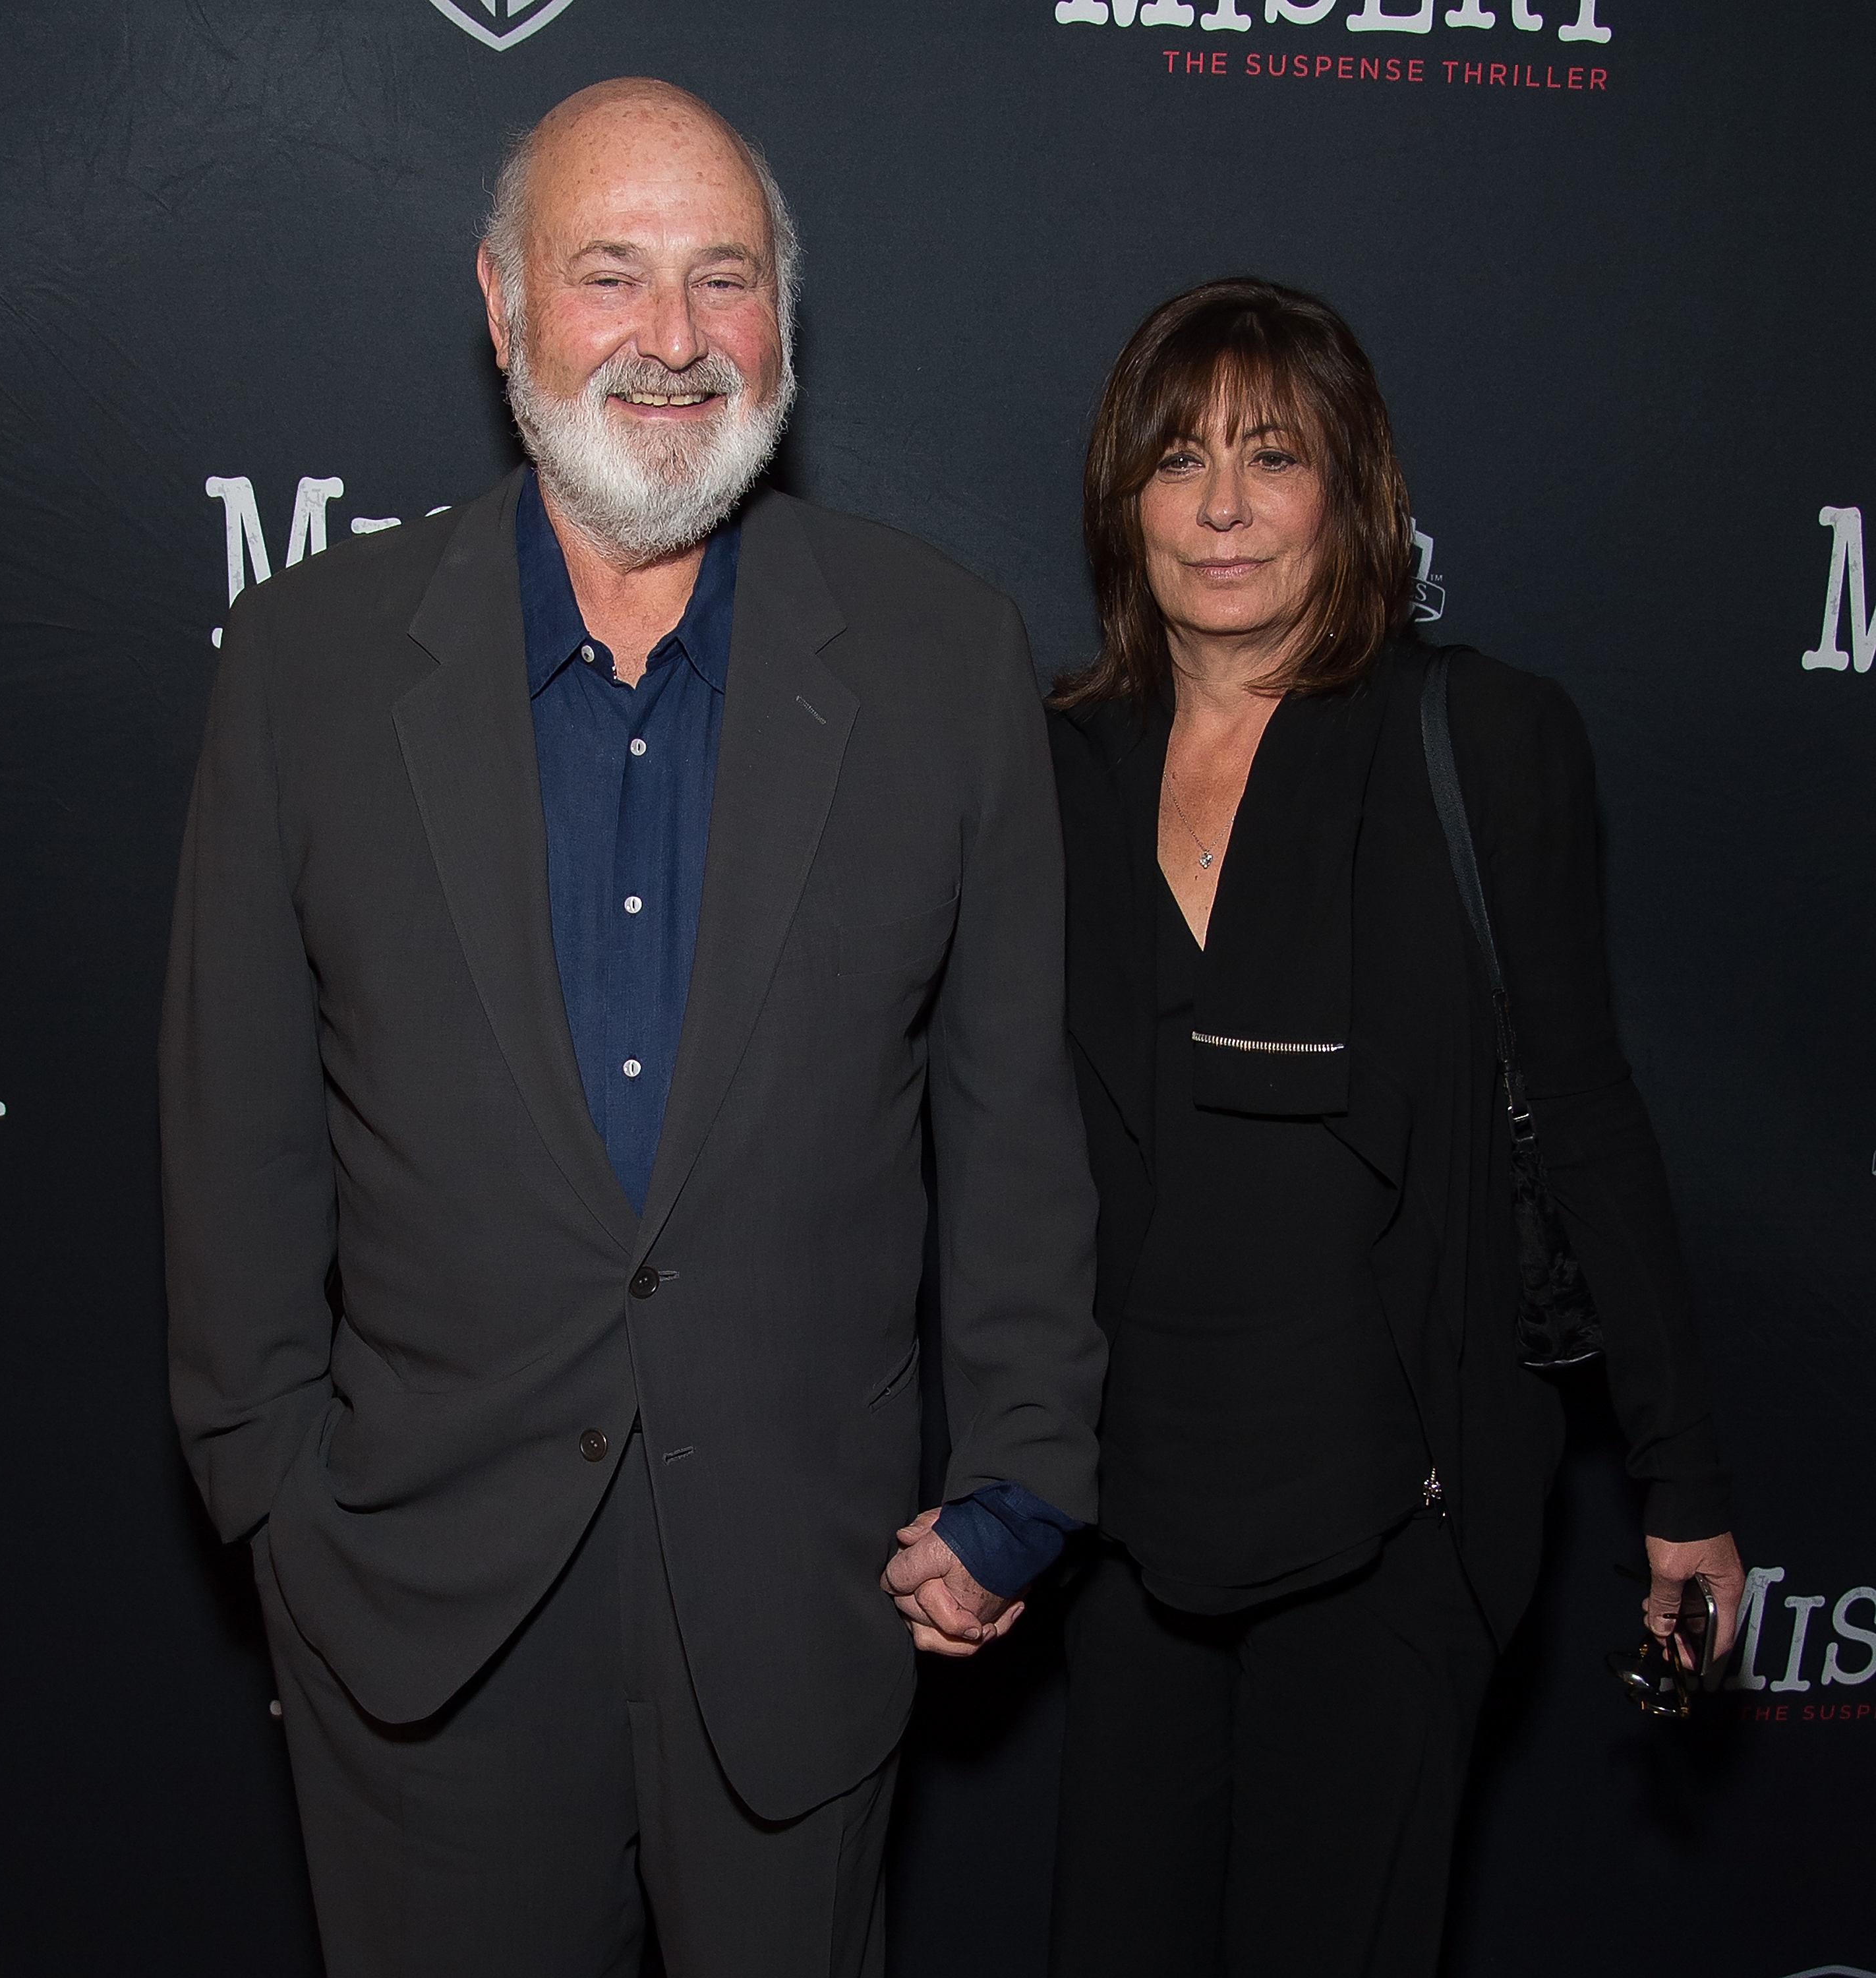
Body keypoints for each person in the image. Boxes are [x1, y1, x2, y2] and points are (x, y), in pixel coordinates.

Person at [160, 78, 1104, 1978]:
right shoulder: (307, 669)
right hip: (417, 1619)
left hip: (808, 1606)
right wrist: (278, 1505)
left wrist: (1022, 1481)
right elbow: (233, 1135)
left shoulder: (943, 661)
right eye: (613, 276)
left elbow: (1014, 1126)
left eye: (723, 280)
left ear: (785, 323)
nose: (674, 340)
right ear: (504, 306)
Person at [1045, 277, 1742, 1977]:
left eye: (1271, 458)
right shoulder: (1051, 764)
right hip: (1129, 1524)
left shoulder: (1481, 739)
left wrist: (1683, 1481)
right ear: (1118, 499)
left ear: (1353, 493)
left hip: (1398, 1516)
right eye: (1177, 459)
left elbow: (1583, 1113)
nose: (1219, 508)